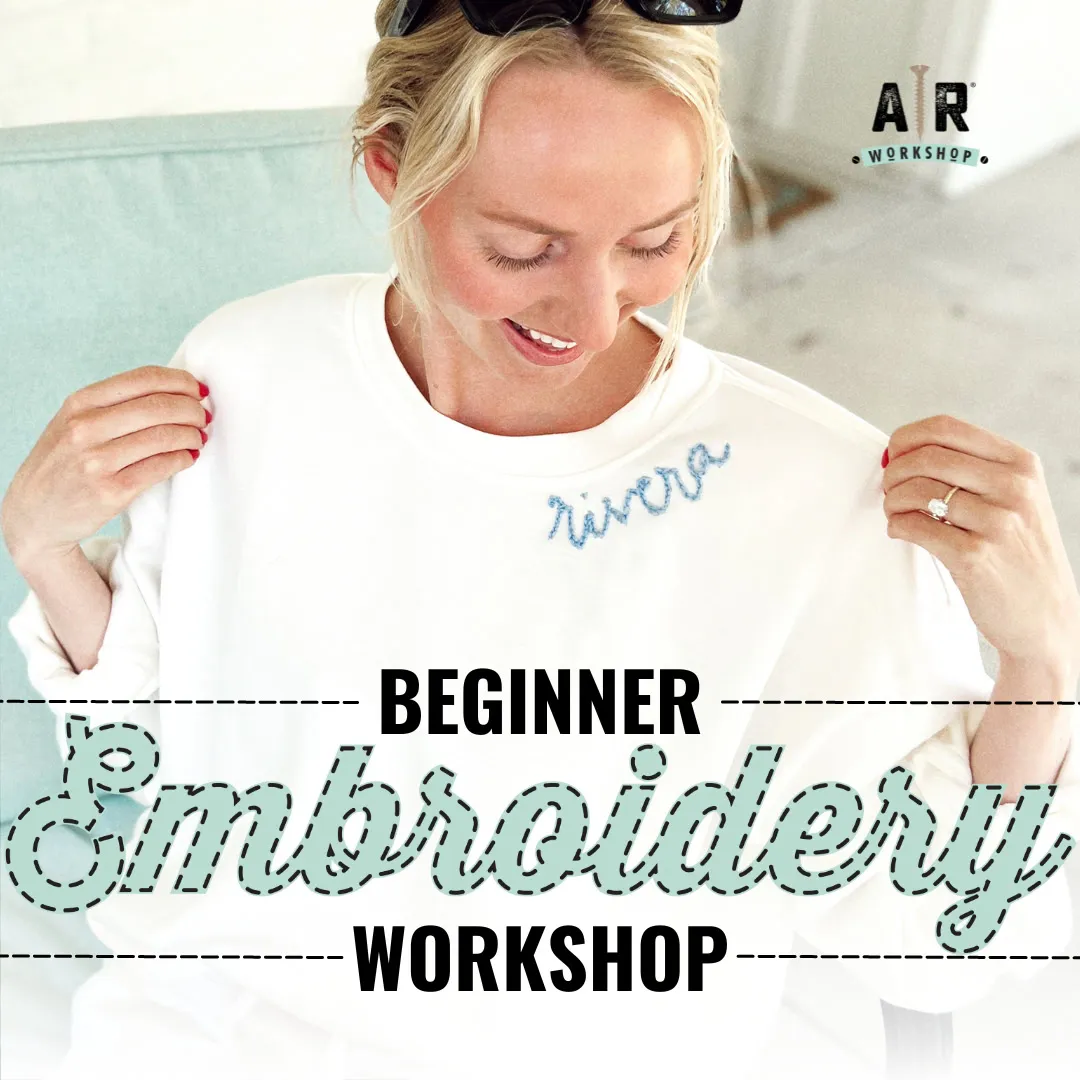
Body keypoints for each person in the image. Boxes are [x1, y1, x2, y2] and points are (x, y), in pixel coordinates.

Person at [3, 2, 1079, 1077]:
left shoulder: (810, 494)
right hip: (217, 1032)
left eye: (656, 240)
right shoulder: (250, 372)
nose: (595, 308)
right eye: (523, 248)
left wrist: (1040, 659)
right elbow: (171, 747)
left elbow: (929, 940)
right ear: (391, 169)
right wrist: (45, 547)